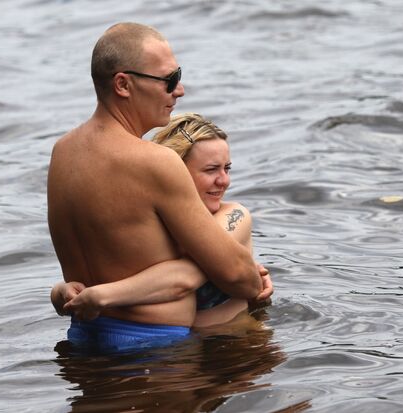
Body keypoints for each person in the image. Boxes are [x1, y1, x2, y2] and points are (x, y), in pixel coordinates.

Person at [47, 22, 267, 352]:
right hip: (156, 351)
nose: (179, 91)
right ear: (123, 84)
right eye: (170, 80)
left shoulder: (62, 153)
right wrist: (252, 278)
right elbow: (240, 277)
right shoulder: (156, 161)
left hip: (84, 341)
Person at [52, 113, 273, 331]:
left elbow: (184, 277)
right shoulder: (153, 228)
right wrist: (62, 292)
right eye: (211, 170)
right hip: (185, 350)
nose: (224, 181)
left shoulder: (235, 215)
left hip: (239, 348)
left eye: (227, 168)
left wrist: (103, 295)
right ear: (176, 173)